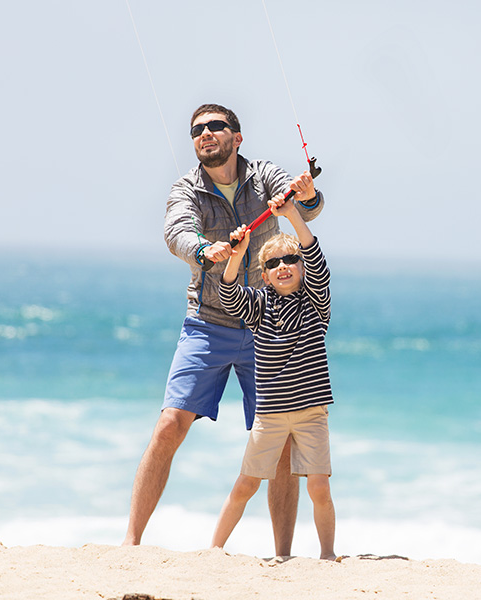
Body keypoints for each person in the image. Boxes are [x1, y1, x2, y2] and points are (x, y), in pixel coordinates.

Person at [123, 104, 324, 557]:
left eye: (216, 127)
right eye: (197, 130)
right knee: (169, 424)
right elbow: (176, 232)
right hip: (208, 323)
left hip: (268, 325)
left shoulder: (264, 175)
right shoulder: (186, 189)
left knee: (282, 439)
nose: (206, 134)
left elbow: (307, 208)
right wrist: (203, 248)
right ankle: (131, 543)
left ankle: (284, 554)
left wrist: (306, 196)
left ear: (237, 136)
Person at [211, 195, 336, 560]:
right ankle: (214, 550)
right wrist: (238, 254)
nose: (283, 267)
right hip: (270, 415)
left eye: (290, 260)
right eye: (273, 263)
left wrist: (292, 215)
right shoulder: (259, 303)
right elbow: (229, 294)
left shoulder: (316, 303)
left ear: (301, 267)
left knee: (319, 488)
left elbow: (317, 258)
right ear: (264, 274)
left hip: (312, 412)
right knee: (245, 484)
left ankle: (327, 554)